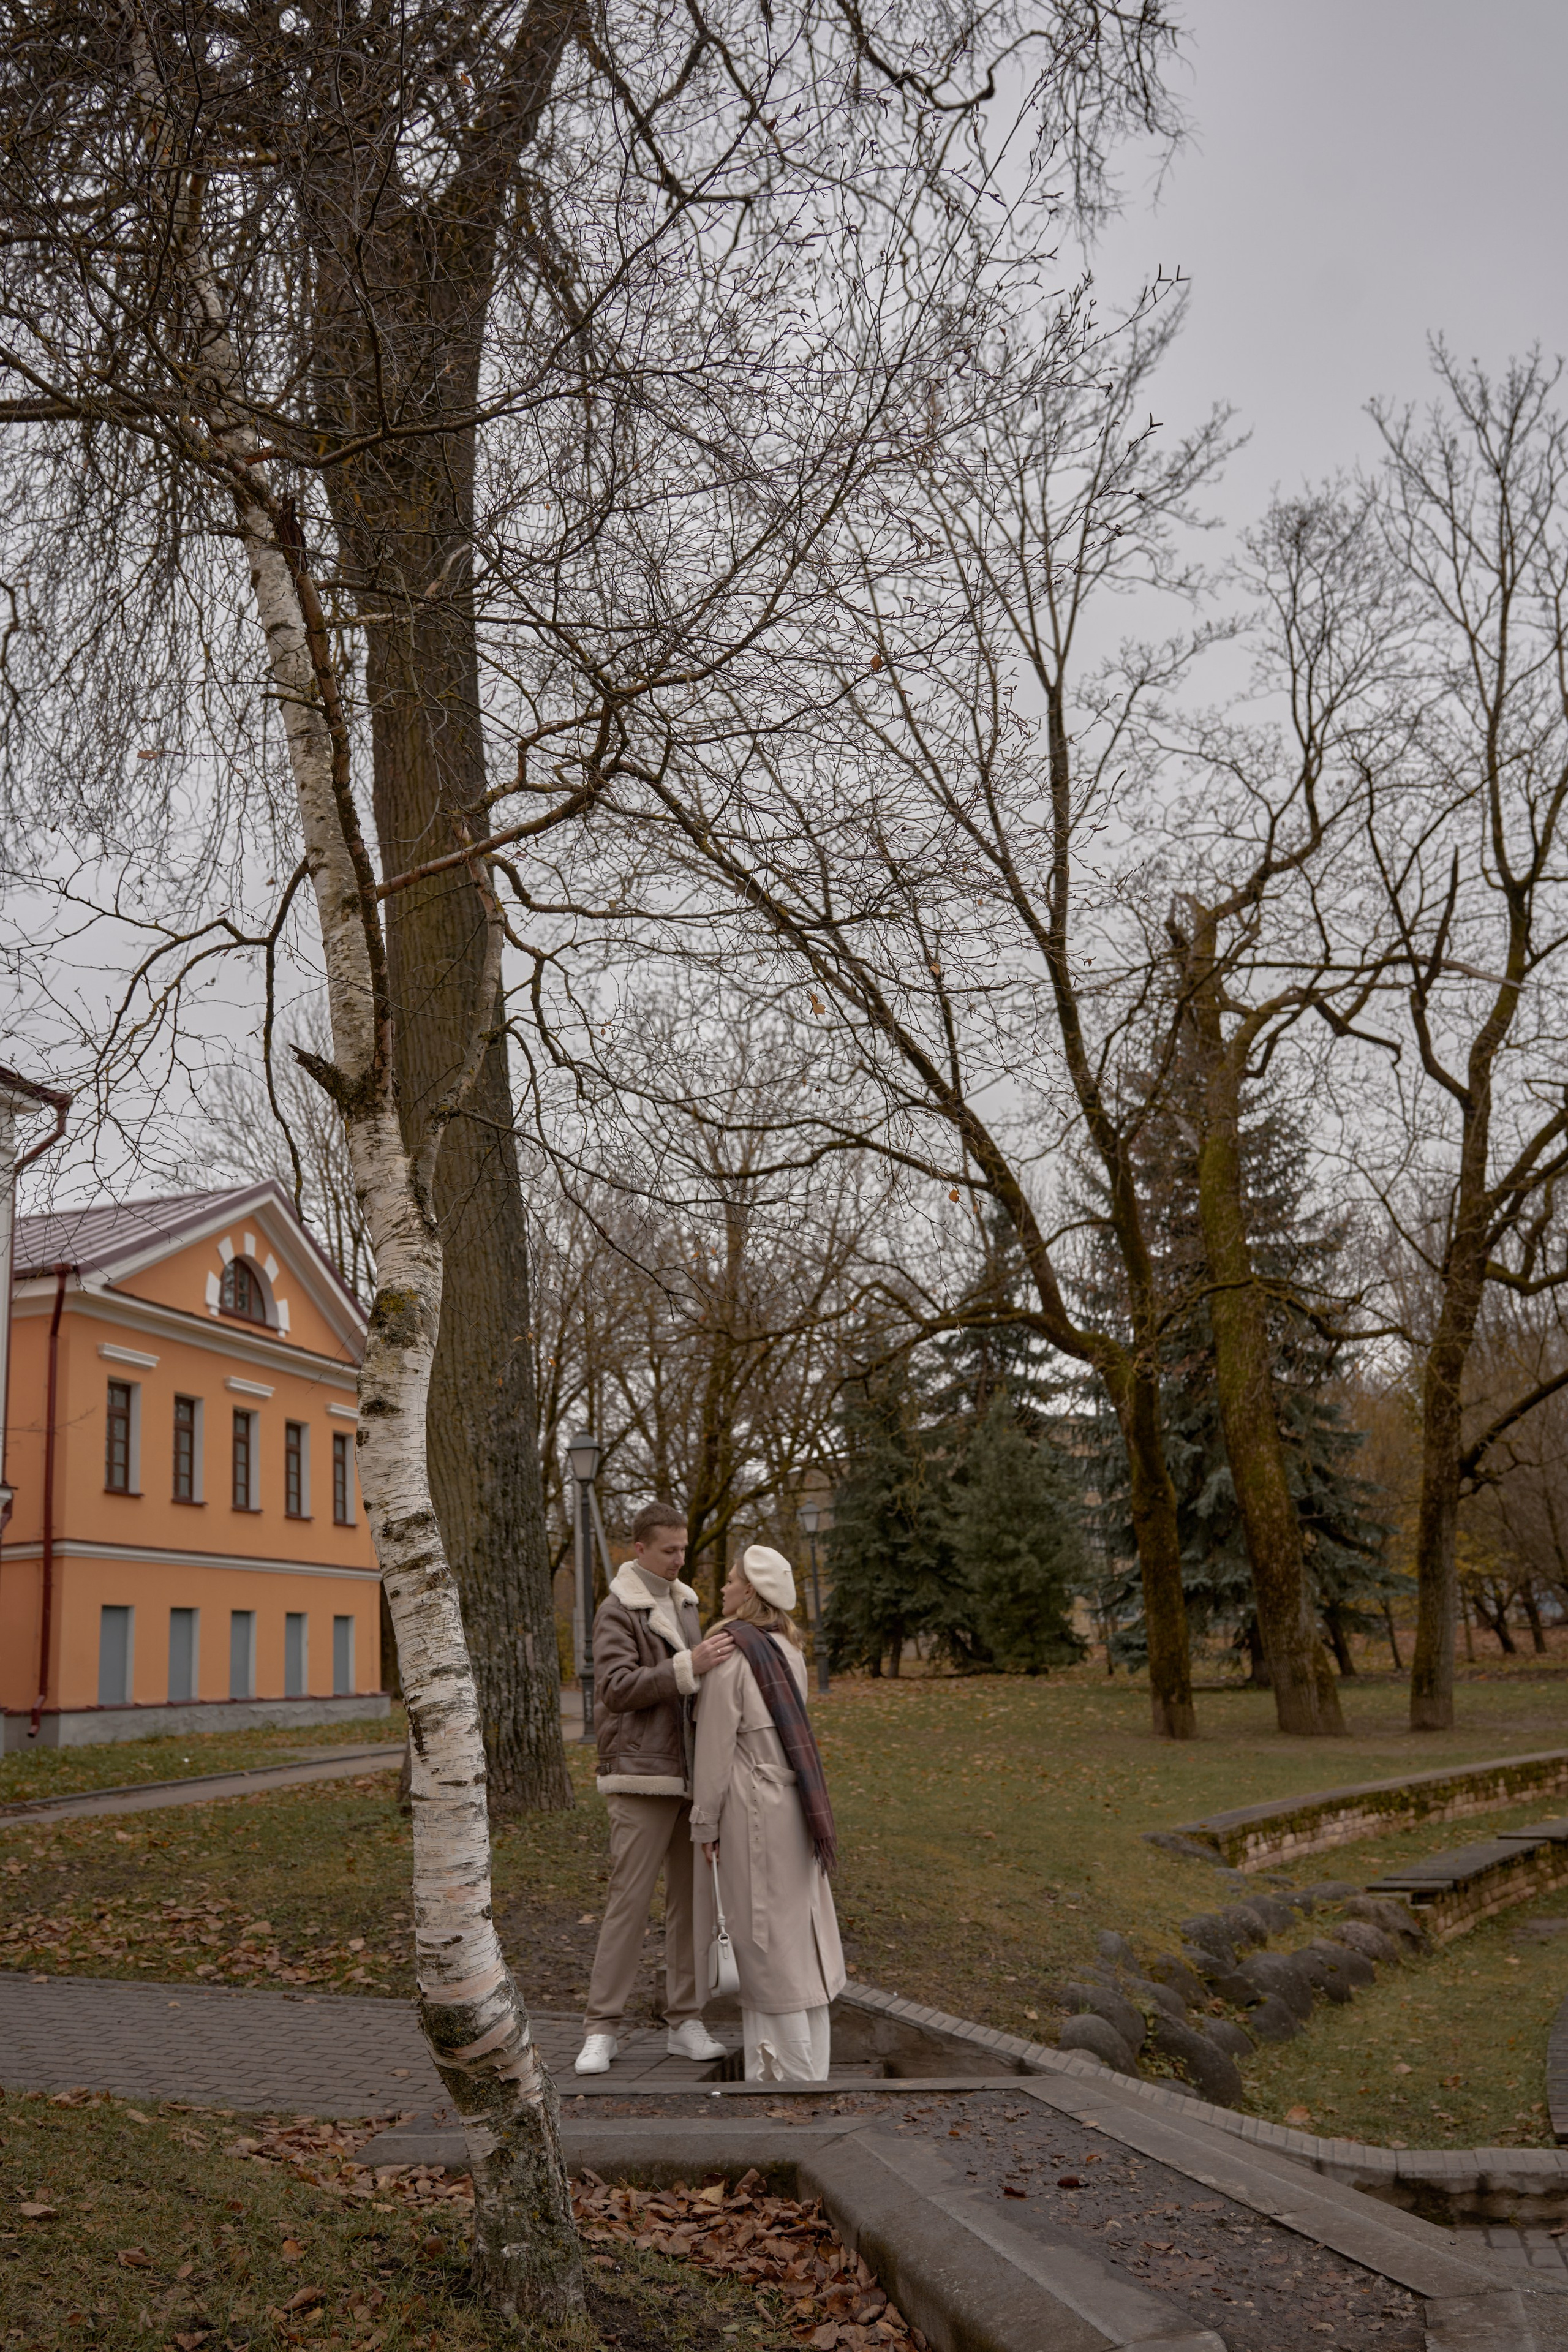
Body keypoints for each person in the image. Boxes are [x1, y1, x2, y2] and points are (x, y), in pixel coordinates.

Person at [575, 1501, 736, 2075]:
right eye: (669, 1550)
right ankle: (601, 2028)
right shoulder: (617, 1609)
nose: (679, 1560)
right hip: (641, 1779)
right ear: (639, 1548)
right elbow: (616, 1688)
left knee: (693, 1908)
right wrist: (688, 1664)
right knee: (628, 1904)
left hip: (691, 1780)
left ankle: (685, 2022)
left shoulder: (686, 1603)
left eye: (684, 1549)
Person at [690, 1544, 845, 2083]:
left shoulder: (731, 1652)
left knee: (762, 1941)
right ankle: (807, 2064)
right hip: (794, 1809)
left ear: (750, 1593)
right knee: (793, 1938)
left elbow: (712, 1747)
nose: (725, 1588)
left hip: (751, 1811)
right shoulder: (788, 1650)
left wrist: (704, 1824)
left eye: (732, 1581)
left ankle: (778, 2073)